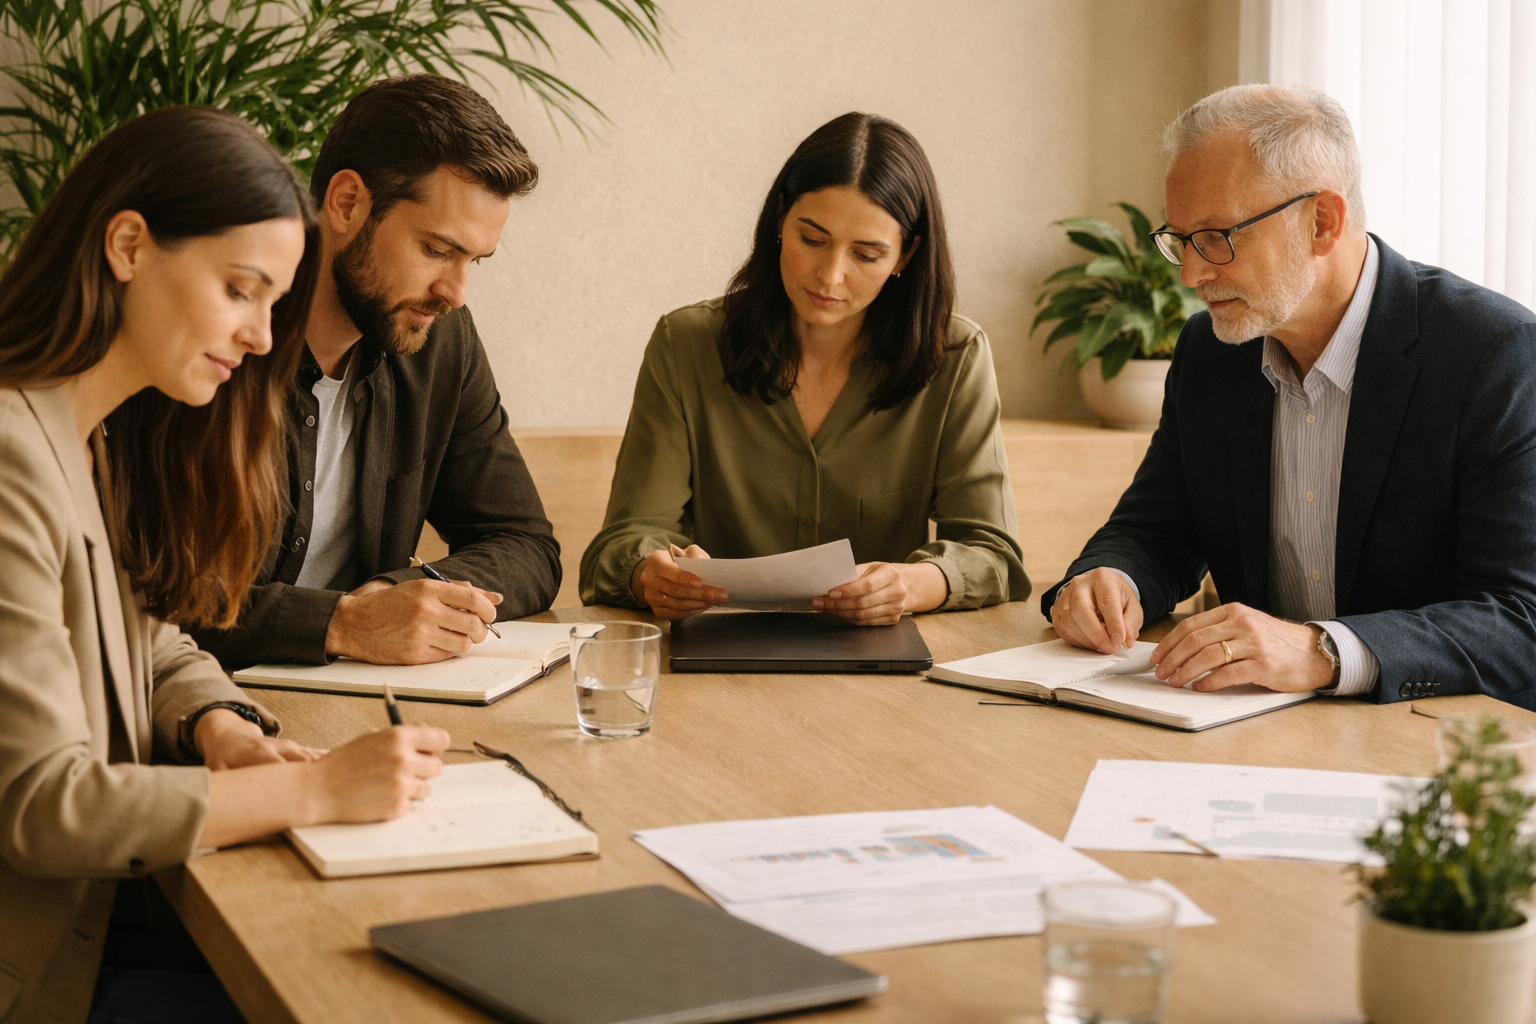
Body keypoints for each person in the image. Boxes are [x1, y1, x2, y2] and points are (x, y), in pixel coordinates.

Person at [0, 107, 451, 1024]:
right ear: (128, 244)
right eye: (241, 290)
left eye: (275, 304)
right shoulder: (12, 455)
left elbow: (149, 639)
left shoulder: (87, 435)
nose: (258, 338)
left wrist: (221, 725)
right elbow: (46, 808)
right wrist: (315, 788)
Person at [1044, 84, 1536, 709]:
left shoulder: (1493, 353)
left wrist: (1320, 651)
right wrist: (1109, 578)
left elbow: (1522, 617)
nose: (1192, 275)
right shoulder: (1210, 351)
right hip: (1252, 728)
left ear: (1322, 222)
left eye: (1218, 236)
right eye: (1181, 240)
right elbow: (1155, 530)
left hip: (1432, 741)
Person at [581, 112, 1028, 623]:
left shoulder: (954, 357)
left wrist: (909, 584)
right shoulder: (686, 345)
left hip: (882, 668)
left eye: (866, 254)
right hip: (713, 655)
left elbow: (994, 555)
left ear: (906, 255)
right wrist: (649, 575)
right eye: (812, 240)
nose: (830, 275)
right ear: (779, 220)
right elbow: (619, 545)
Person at [190, 75, 561, 669]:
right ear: (346, 203)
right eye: (437, 250)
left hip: (354, 703)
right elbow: (145, 598)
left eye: (474, 261)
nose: (455, 292)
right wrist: (340, 623)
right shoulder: (211, 341)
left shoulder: (440, 340)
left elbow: (525, 546)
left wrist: (399, 598)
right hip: (201, 709)